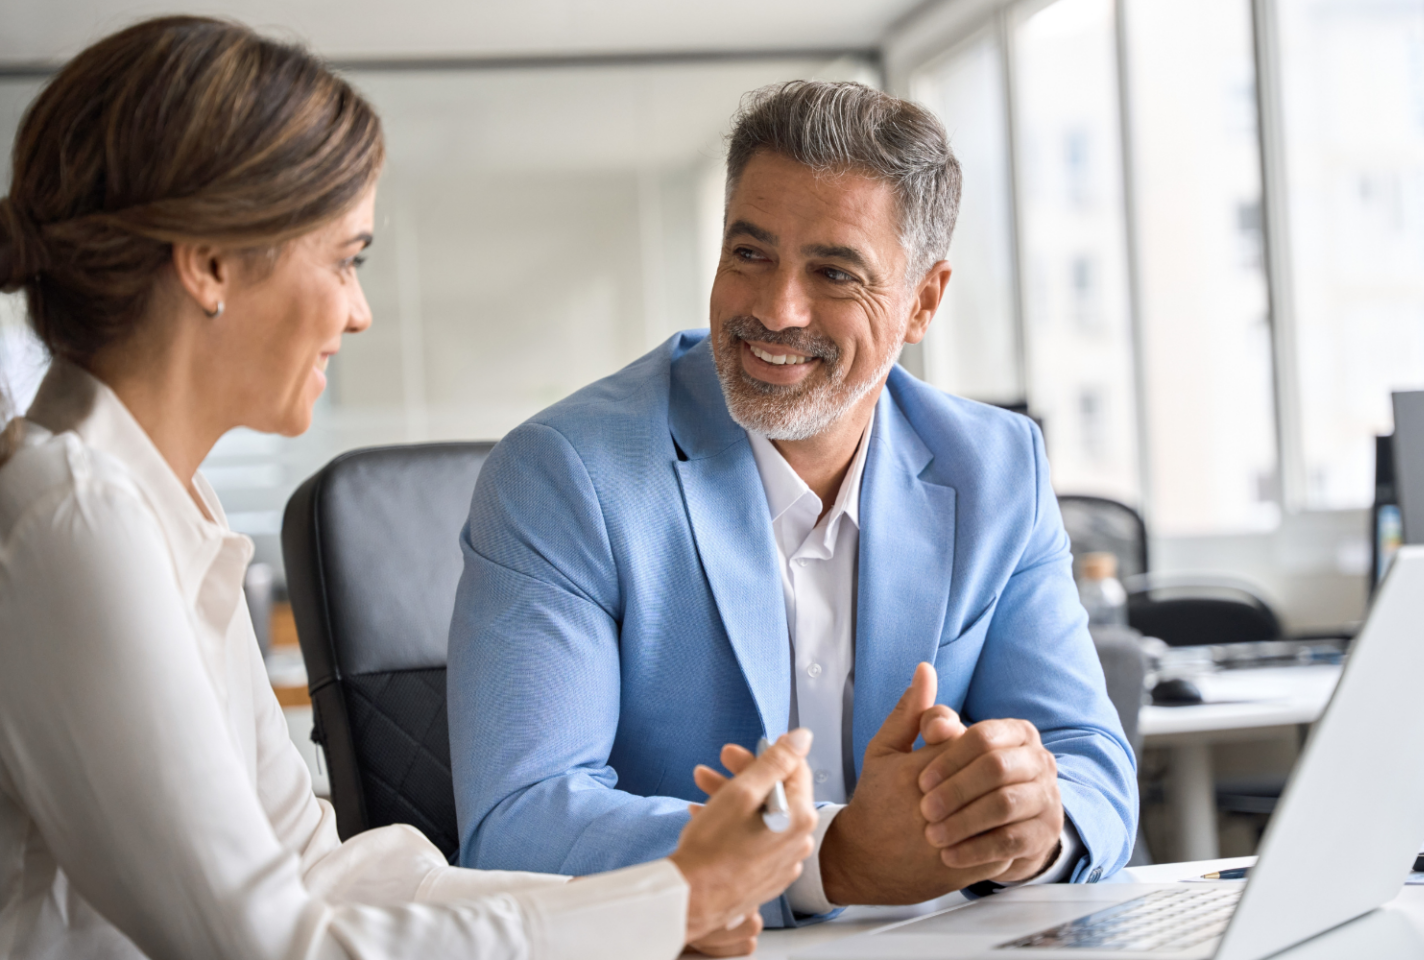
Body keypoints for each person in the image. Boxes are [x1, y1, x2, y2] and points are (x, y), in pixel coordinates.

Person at [0, 17, 816, 960]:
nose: (359, 310)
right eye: (345, 259)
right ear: (211, 261)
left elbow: (314, 867)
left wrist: (660, 901)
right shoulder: (72, 519)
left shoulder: (163, 506)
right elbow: (266, 943)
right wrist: (666, 905)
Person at [447, 80, 1139, 930]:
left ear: (922, 301)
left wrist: (1035, 826)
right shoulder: (569, 474)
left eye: (834, 271)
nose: (776, 310)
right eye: (749, 255)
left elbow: (1092, 768)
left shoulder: (997, 470)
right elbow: (518, 825)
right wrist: (830, 859)